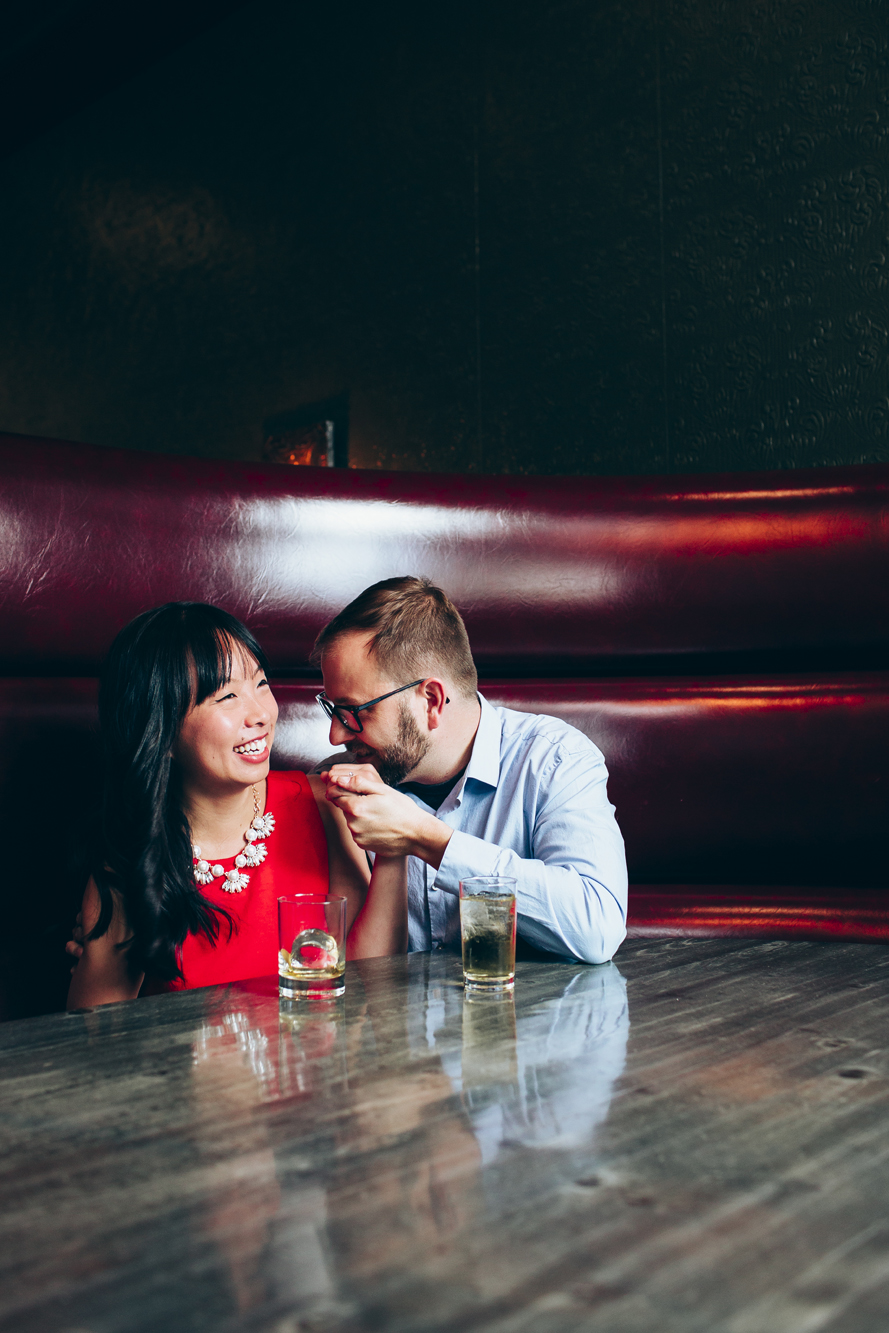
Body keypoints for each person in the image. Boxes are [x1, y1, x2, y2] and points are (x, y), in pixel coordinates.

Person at [67, 602, 407, 1009]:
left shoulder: (323, 803)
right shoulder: (130, 861)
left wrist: (395, 846)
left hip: (319, 1064)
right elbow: (96, 1033)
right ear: (162, 727)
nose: (261, 714)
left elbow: (374, 979)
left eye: (261, 684)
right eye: (227, 695)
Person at [313, 577, 627, 963]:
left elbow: (597, 929)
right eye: (332, 710)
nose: (335, 735)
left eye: (355, 711)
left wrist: (426, 837)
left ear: (431, 700)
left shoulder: (553, 760)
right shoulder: (341, 782)